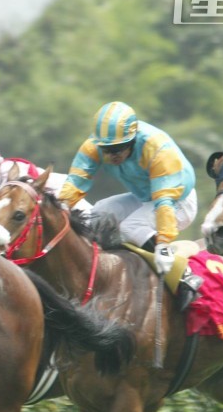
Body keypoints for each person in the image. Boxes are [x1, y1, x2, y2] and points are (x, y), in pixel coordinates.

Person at [56, 101, 201, 301]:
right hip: (145, 199)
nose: (112, 155)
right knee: (97, 214)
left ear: (132, 140)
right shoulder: (93, 146)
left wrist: (164, 244)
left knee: (130, 226)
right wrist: (59, 211)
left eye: (119, 148)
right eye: (107, 149)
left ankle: (184, 277)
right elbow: (75, 183)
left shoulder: (157, 148)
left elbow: (164, 202)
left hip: (178, 201)